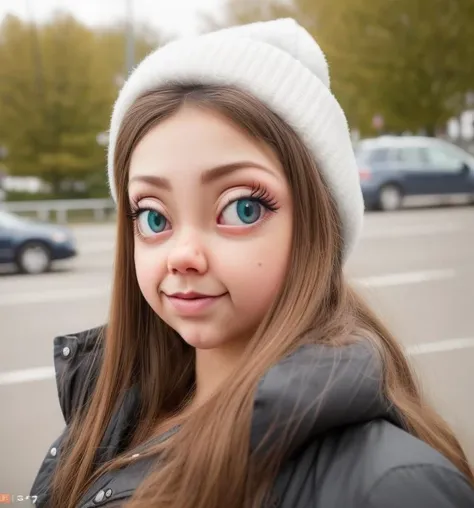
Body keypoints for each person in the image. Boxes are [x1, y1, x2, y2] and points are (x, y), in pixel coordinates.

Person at [30, 18, 474, 508]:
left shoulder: (391, 487)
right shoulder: (108, 414)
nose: (183, 254)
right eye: (153, 217)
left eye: (242, 208)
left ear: (316, 224)